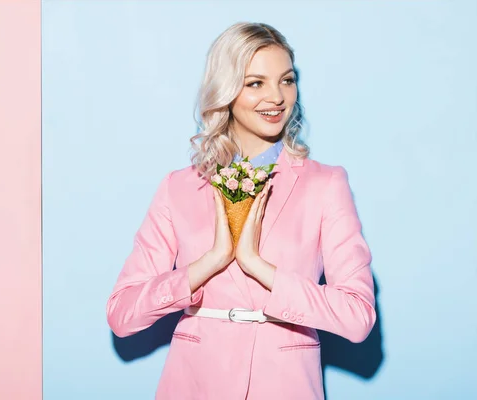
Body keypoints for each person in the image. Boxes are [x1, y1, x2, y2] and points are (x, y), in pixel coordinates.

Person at [106, 22, 376, 400]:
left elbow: (357, 316)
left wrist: (258, 266)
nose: (277, 97)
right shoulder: (179, 187)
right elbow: (122, 314)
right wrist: (209, 262)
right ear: (227, 90)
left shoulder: (326, 184)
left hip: (286, 384)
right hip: (193, 383)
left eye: (286, 80)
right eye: (255, 83)